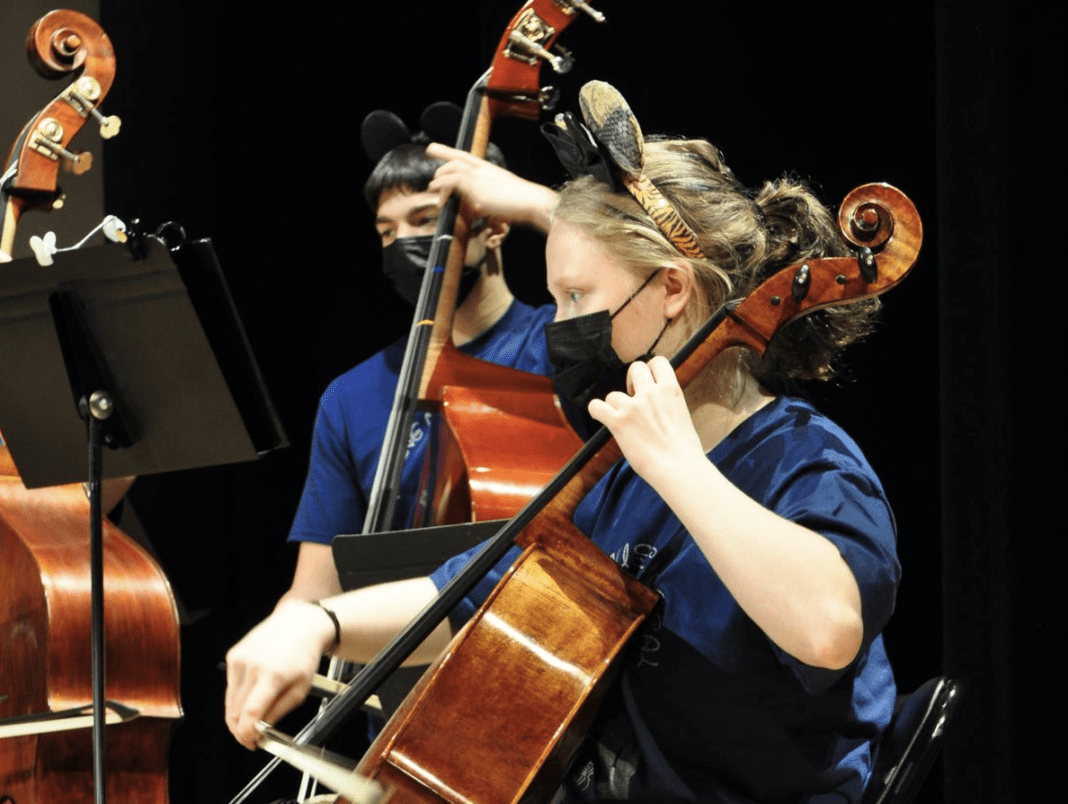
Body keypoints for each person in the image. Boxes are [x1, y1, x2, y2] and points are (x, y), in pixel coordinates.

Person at [226, 83, 900, 803]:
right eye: (554, 299)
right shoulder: (614, 478)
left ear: (672, 289)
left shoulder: (806, 459)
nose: (559, 323)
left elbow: (827, 631)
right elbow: (462, 599)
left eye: (577, 296)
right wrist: (314, 624)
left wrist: (679, 468)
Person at [276, 107, 562, 607]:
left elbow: (656, 273)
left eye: (426, 220)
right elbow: (313, 593)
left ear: (494, 226)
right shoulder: (350, 396)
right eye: (387, 231)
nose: (403, 241)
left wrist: (539, 204)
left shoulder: (558, 345)